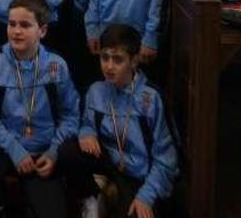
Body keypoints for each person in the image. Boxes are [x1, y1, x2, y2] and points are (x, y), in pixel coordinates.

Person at [60, 24, 178, 218]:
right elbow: (87, 123)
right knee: (68, 151)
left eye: (118, 60)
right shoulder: (96, 90)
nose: (109, 66)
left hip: (140, 176)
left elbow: (167, 158)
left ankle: (115, 195)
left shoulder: (152, 99)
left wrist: (146, 196)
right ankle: (92, 198)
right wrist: (86, 133)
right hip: (110, 165)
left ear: (134, 61)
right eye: (104, 58)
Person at [0, 0, 80, 217]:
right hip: (7, 148)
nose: (16, 31)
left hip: (43, 152)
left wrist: (54, 152)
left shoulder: (57, 65)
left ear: (42, 31)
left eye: (25, 25)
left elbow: (71, 115)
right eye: (11, 24)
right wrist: (14, 150)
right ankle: (1, 200)